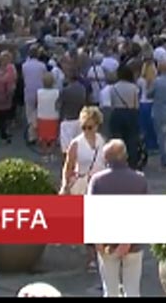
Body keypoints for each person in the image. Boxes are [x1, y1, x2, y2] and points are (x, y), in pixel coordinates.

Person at [89, 140, 148, 297]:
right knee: (133, 290)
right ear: (125, 156)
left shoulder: (97, 180)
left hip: (106, 242)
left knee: (110, 291)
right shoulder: (140, 179)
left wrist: (96, 241)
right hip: (133, 243)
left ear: (106, 158)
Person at [62, 107, 106, 273]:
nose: (87, 130)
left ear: (97, 125)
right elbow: (68, 166)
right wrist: (66, 185)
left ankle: (100, 252)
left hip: (101, 185)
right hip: (85, 185)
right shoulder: (76, 143)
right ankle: (91, 257)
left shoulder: (102, 141)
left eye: (90, 127)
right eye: (84, 127)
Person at [108, 65, 143, 169]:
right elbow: (136, 104)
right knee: (131, 140)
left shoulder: (113, 88)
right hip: (131, 113)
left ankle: (117, 162)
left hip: (117, 113)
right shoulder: (134, 88)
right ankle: (132, 163)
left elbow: (112, 103)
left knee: (117, 139)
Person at [36, 73, 61, 160]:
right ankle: (51, 153)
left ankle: (44, 154)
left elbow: (36, 103)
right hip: (53, 116)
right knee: (53, 136)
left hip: (42, 116)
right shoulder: (57, 92)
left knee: (43, 137)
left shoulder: (39, 92)